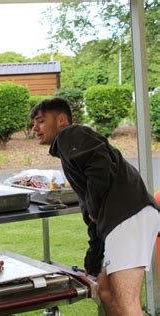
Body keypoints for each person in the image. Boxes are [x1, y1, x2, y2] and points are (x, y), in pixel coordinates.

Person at [30, 97, 159, 315]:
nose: (35, 128)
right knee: (106, 290)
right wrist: (93, 258)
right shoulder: (69, 149)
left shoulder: (71, 134)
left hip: (129, 217)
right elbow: (93, 214)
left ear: (61, 120)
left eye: (41, 121)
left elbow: (100, 165)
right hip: (125, 220)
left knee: (128, 304)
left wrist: (94, 208)